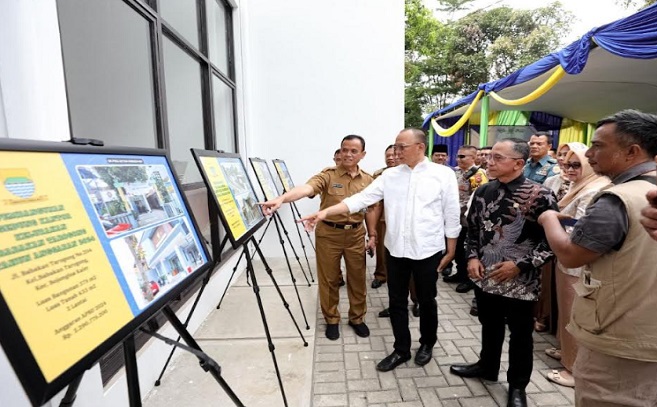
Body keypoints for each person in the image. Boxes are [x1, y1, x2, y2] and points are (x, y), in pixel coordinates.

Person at [299, 128, 460, 372]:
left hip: (427, 249)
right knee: (396, 302)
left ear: (420, 147)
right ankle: (401, 349)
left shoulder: (443, 175)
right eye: (395, 146)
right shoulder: (390, 176)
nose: (396, 151)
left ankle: (427, 343)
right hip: (396, 250)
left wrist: (451, 249)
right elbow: (359, 200)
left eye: (401, 147)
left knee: (427, 301)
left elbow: (451, 212)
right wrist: (324, 213)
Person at [538, 110, 657, 406]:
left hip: (619, 339)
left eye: (598, 145)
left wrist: (549, 219)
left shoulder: (615, 199)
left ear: (632, 152)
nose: (589, 153)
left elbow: (571, 254)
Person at [449, 138, 557, 407]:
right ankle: (487, 366)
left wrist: (519, 265)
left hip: (522, 280)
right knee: (490, 324)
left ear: (518, 163)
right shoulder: (484, 191)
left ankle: (517, 386)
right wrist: (471, 258)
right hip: (485, 276)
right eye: (490, 156)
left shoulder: (540, 195)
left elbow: (551, 243)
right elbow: (472, 230)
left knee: (521, 335)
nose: (490, 161)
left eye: (498, 158)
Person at [260, 135, 377, 340]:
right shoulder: (328, 175)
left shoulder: (368, 180)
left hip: (356, 234)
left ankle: (357, 318)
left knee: (357, 278)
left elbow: (371, 209)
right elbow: (306, 189)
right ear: (339, 151)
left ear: (362, 154)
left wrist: (373, 234)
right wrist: (282, 199)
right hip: (329, 235)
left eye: (353, 151)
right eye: (344, 150)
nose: (347, 154)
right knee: (329, 279)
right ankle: (332, 319)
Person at [543, 146, 609, 388]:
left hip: (576, 264)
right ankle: (567, 353)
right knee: (566, 313)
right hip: (565, 260)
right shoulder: (579, 185)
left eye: (576, 165)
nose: (569, 169)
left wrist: (550, 221)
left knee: (574, 314)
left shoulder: (594, 189)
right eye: (567, 164)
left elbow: (577, 231)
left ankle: (572, 370)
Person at [443, 145, 488, 293]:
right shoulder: (454, 173)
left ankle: (469, 280)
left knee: (467, 250)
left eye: (463, 156)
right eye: (457, 156)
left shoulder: (478, 175)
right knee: (456, 249)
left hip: (468, 220)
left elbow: (477, 200)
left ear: (474, 158)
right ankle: (460, 273)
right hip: (455, 219)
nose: (458, 159)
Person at [371, 145, 396, 289]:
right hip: (383, 218)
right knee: (381, 250)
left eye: (393, 155)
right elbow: (374, 201)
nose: (390, 158)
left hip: (400, 220)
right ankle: (380, 275)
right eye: (388, 156)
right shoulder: (379, 174)